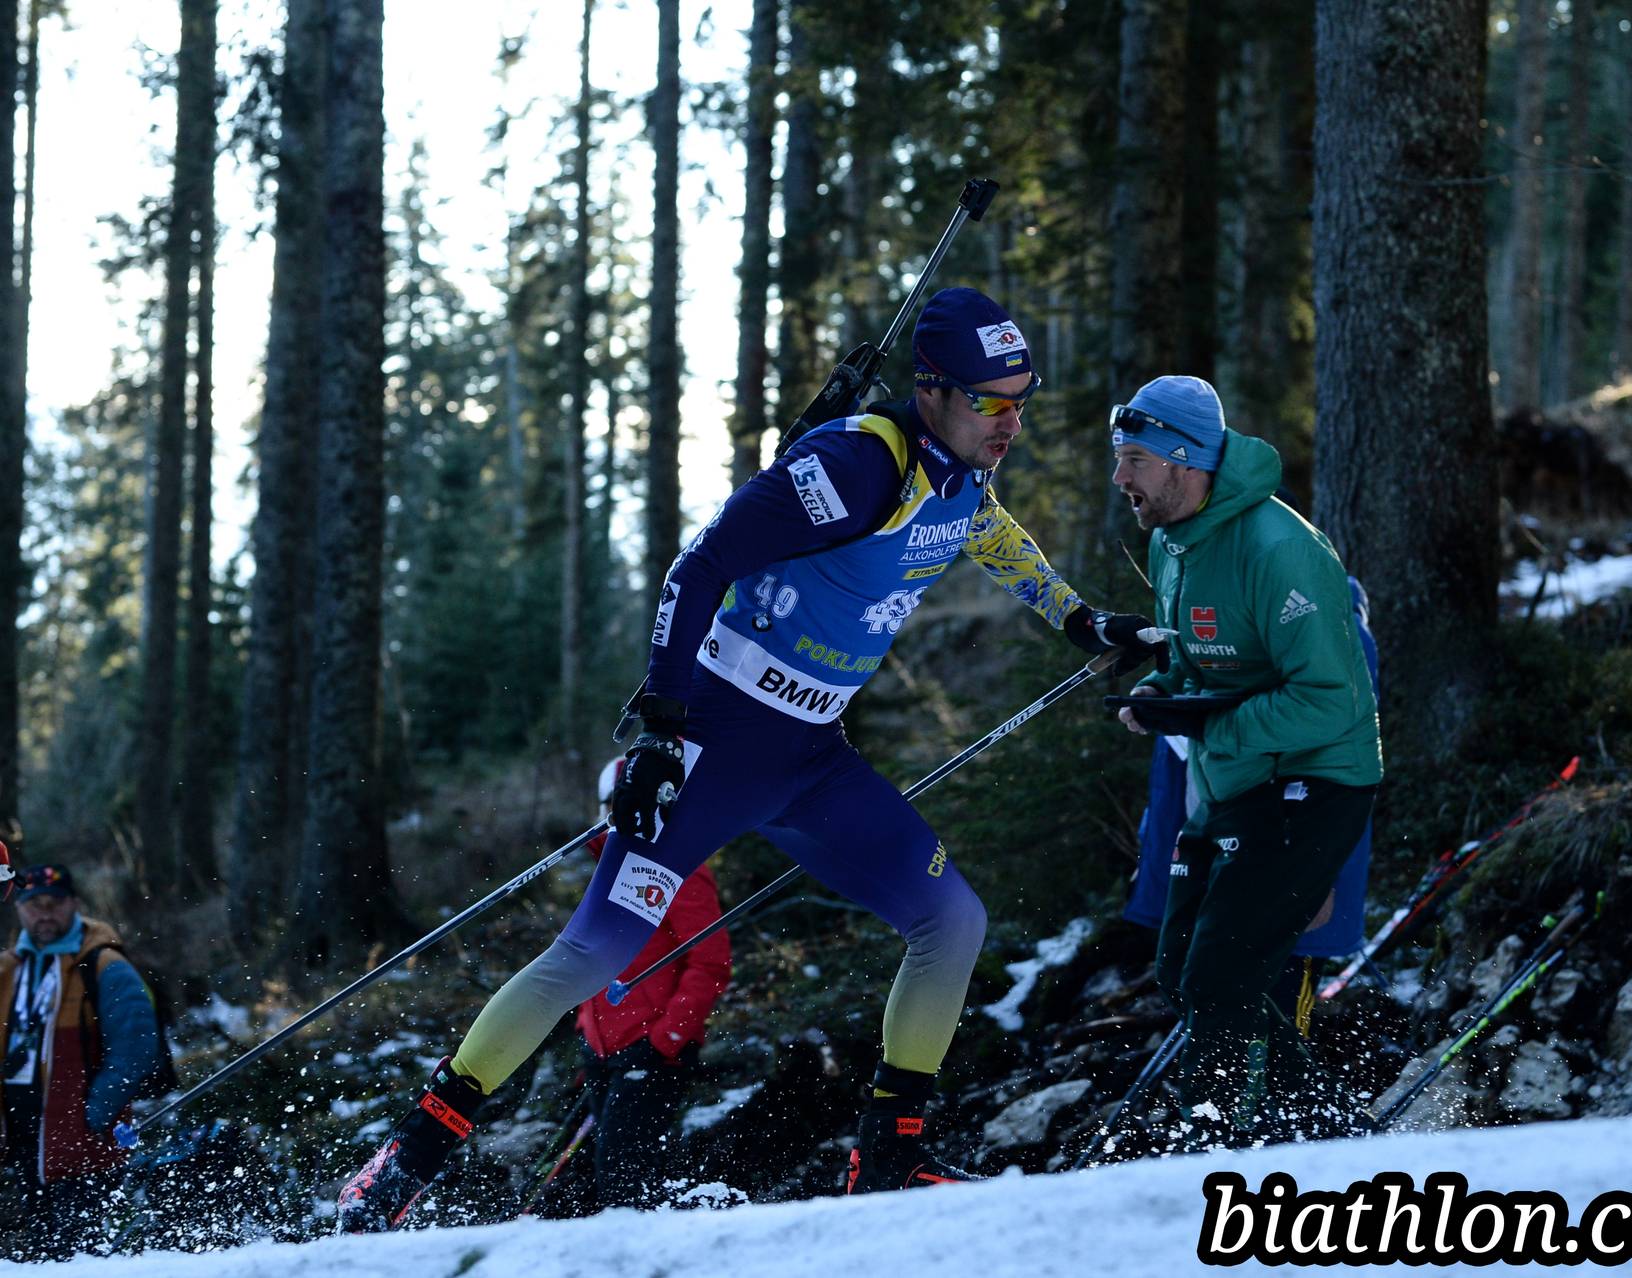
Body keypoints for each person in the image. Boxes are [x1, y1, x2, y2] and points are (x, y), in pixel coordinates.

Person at [339, 287, 1166, 1228]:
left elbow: (988, 534)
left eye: (1024, 397)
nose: (1012, 420)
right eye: (992, 400)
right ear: (931, 389)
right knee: (589, 955)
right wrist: (659, 724)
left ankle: (888, 1164)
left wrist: (1080, 618)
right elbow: (699, 566)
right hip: (719, 743)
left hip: (811, 756)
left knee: (952, 920)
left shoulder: (963, 473)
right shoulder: (857, 466)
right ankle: (402, 1168)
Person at [1106, 375, 1382, 1148]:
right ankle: (1326, 1131)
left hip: (1317, 780)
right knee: (1181, 969)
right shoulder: (1171, 543)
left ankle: (1215, 1148)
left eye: (1134, 460)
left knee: (1220, 974)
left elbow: (1334, 700)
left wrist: (1216, 724)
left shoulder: (1282, 549)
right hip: (1234, 779)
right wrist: (1161, 692)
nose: (1120, 478)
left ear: (1185, 461)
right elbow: (1194, 663)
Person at [569, 756, 732, 1209]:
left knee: (624, 1182)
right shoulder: (606, 871)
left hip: (652, 1049)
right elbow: (594, 957)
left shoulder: (680, 869)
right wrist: (588, 1029)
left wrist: (666, 1038)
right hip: (604, 1050)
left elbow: (711, 960)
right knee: (615, 1180)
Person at [2, 863, 165, 1259]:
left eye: (54, 903)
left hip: (83, 1140)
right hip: (21, 1137)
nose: (44, 913)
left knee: (81, 1255)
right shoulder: (8, 969)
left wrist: (94, 1114)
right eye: (33, 904)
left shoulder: (105, 965)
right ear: (18, 909)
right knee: (35, 1254)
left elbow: (137, 1048)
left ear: (73, 904)